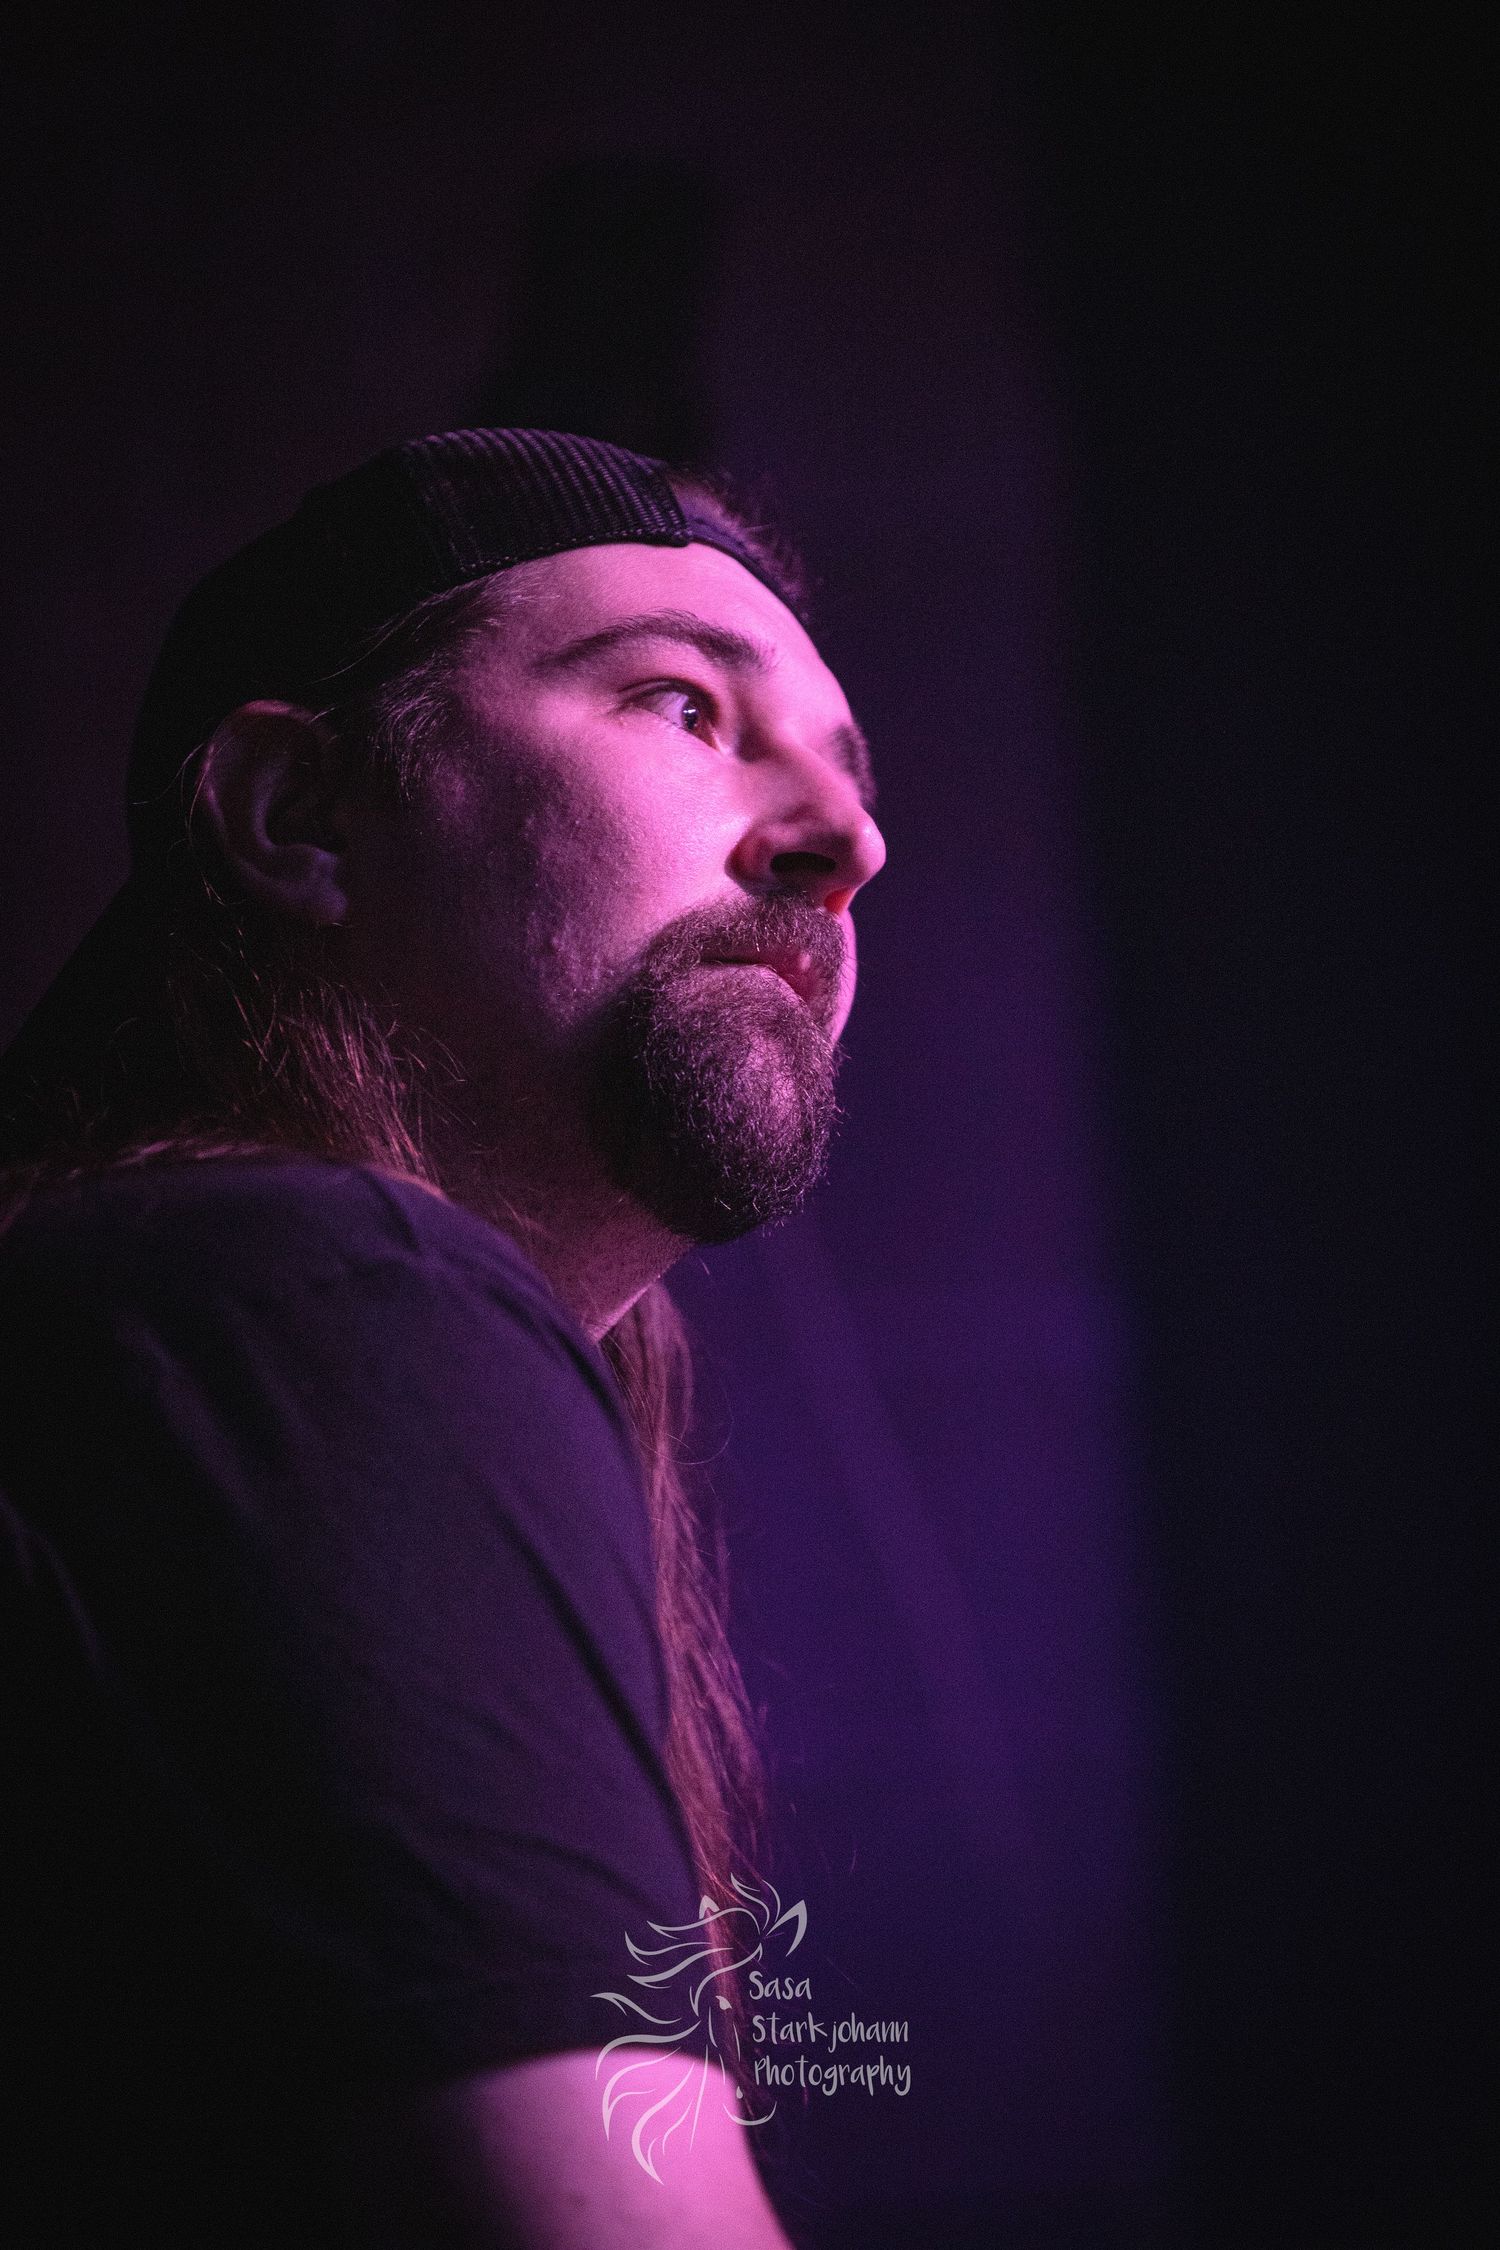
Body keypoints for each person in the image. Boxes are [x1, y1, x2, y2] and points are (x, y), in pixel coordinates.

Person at [0, 427, 884, 2248]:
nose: (847, 839)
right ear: (296, 818)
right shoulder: (313, 1293)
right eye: (683, 708)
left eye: (853, 774)